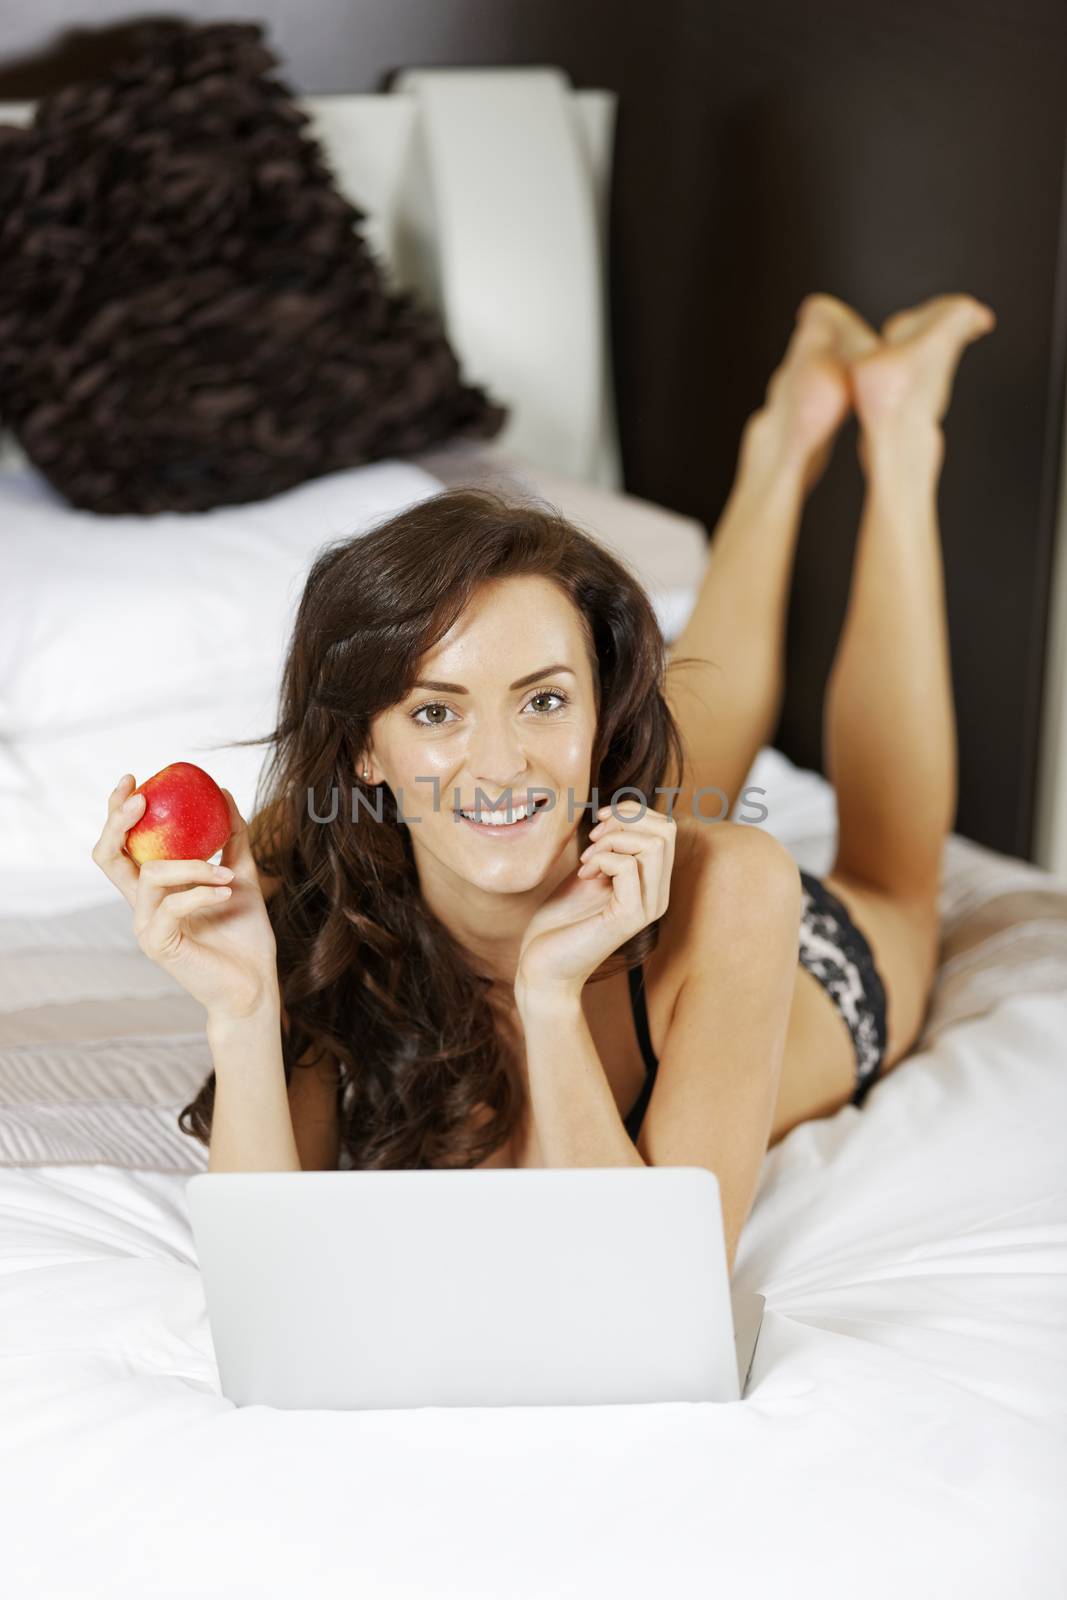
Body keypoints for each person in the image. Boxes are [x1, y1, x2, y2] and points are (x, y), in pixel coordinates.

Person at [92, 291, 994, 1278]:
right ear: (362, 747)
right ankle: (785, 439)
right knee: (551, 790)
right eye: (434, 711)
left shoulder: (739, 886)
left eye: (545, 700)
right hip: (579, 858)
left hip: (768, 957)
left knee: (895, 878)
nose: (497, 759)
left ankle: (898, 439)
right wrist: (241, 1007)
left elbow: (656, 1283)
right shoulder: (301, 882)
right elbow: (264, 1272)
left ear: (601, 712)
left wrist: (552, 1002)